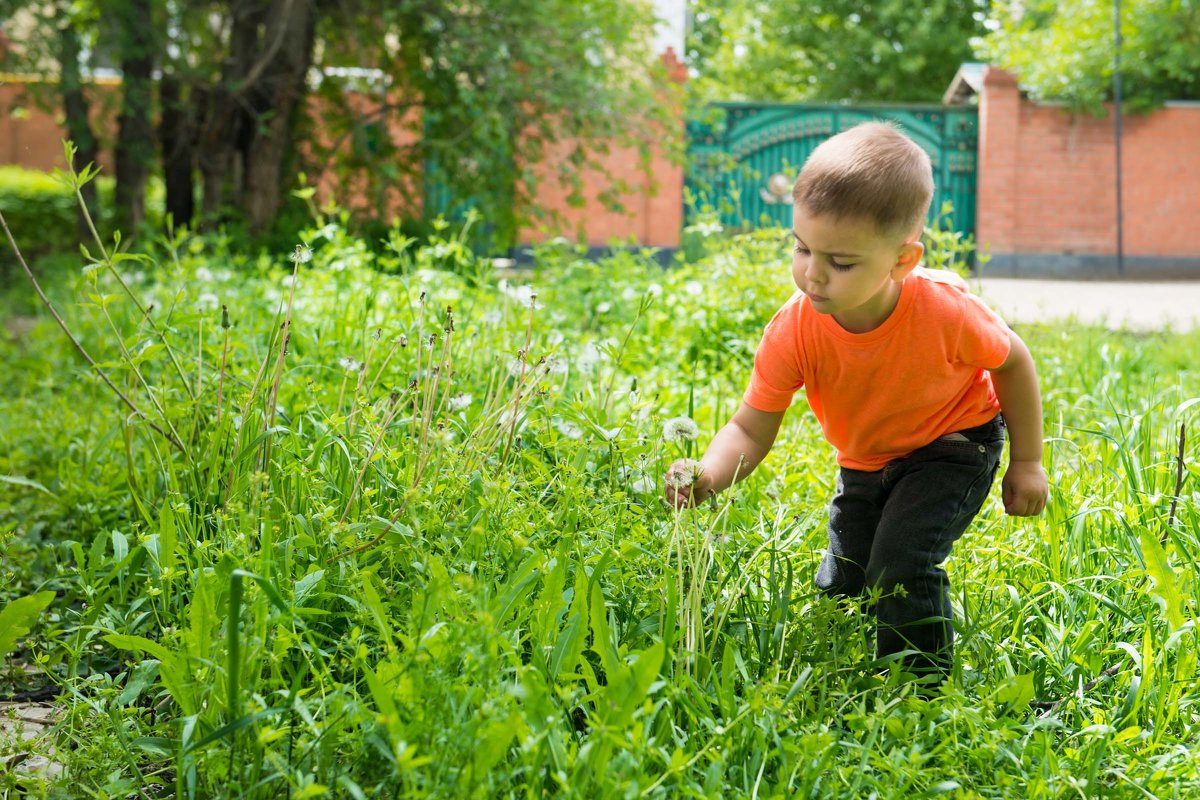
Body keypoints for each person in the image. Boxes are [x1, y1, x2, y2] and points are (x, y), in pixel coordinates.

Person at [664, 121, 1048, 681]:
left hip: (954, 443)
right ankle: (840, 666)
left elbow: (1013, 362)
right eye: (801, 248)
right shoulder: (795, 330)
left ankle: (917, 692)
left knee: (898, 565)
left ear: (901, 260)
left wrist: (1028, 461)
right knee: (845, 577)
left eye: (840, 262)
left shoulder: (946, 313)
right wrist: (709, 476)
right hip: (867, 459)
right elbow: (750, 428)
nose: (812, 274)